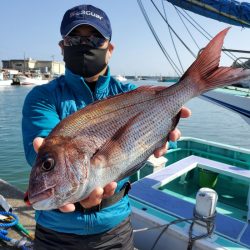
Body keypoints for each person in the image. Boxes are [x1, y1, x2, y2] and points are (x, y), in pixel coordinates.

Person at [22, 4, 191, 250]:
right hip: (56, 232)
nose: (84, 44)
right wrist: (48, 159)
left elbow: (162, 137)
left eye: (95, 39)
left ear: (109, 49)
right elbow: (35, 150)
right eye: (74, 39)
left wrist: (167, 136)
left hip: (114, 229)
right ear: (62, 47)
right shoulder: (43, 96)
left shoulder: (129, 93)